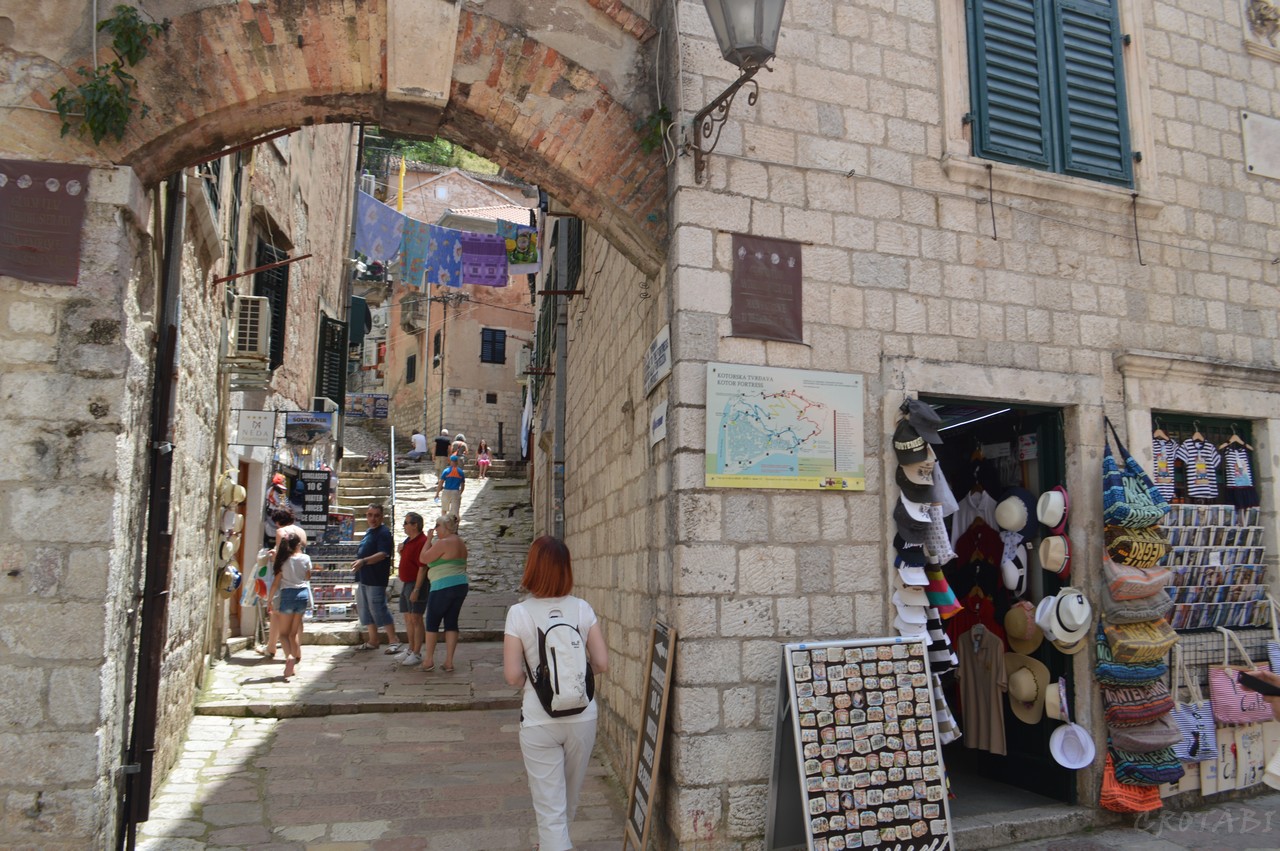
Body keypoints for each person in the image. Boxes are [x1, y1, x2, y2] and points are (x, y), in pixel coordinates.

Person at [503, 536, 609, 851]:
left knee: (550, 808)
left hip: (539, 718)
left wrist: (538, 683)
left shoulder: (519, 613)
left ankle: (553, 843)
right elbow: (601, 663)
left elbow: (512, 676)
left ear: (532, 568)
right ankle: (553, 843)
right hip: (582, 716)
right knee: (567, 801)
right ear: (566, 569)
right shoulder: (582, 608)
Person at [411, 512, 469, 672]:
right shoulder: (460, 542)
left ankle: (428, 660)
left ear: (446, 527)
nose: (435, 529)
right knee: (451, 622)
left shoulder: (444, 542)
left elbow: (423, 558)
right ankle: (449, 662)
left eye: (437, 526)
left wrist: (428, 540)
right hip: (460, 585)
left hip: (443, 586)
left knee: (432, 622)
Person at [260, 507, 309, 660]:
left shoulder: (281, 532)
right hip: (300, 579)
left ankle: (274, 648)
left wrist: (273, 555)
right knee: (297, 619)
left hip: (285, 579)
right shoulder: (301, 531)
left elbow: (282, 556)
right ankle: (296, 649)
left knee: (277, 613)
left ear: (278, 522)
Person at [349, 503, 400, 651]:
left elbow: (383, 554)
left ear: (382, 517)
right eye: (370, 515)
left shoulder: (383, 533)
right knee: (365, 609)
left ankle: (393, 640)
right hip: (364, 577)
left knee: (378, 608)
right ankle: (373, 640)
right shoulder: (369, 531)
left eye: (376, 516)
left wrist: (364, 561)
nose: (373, 519)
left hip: (376, 578)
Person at [267, 530, 311, 679]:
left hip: (288, 596)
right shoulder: (306, 558)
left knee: (283, 634)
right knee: (293, 633)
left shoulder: (283, 561)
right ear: (298, 545)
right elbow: (308, 577)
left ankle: (290, 657)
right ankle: (294, 662)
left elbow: (275, 583)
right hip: (302, 595)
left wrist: (269, 600)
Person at [395, 512, 430, 666]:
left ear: (415, 525)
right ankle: (410, 649)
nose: (403, 525)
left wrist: (416, 589)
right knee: (408, 618)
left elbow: (422, 568)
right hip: (406, 583)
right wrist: (400, 552)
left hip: (416, 584)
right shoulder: (408, 540)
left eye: (406, 523)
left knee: (416, 618)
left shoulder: (422, 542)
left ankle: (417, 652)